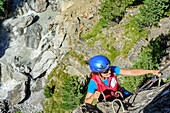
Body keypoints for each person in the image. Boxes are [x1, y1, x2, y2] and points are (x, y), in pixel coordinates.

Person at [85, 55, 161, 104]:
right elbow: (86, 101)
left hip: (121, 94)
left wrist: (151, 71)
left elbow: (131, 72)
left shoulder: (113, 70)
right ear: (98, 73)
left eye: (109, 68)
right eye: (106, 71)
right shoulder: (93, 83)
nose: (110, 72)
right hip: (108, 103)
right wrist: (93, 97)